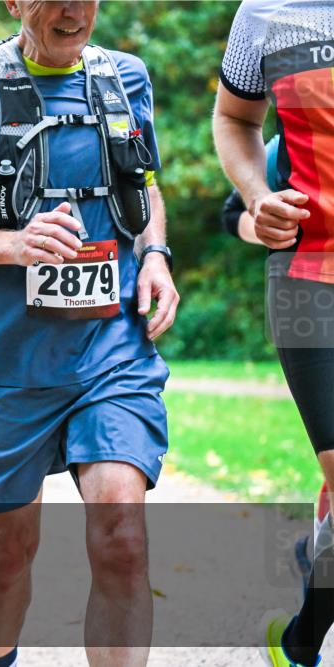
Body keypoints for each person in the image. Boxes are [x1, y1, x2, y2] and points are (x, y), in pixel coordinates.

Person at [0, 2, 178, 665]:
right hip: (8, 362)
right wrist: (14, 243)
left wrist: (156, 255)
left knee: (122, 538)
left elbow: (146, 189)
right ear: (15, 2)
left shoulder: (128, 78)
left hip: (112, 350)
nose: (74, 9)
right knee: (7, 552)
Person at [212, 2, 333, 665]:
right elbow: (234, 118)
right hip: (312, 272)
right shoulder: (269, 12)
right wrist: (259, 197)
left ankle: (301, 634)